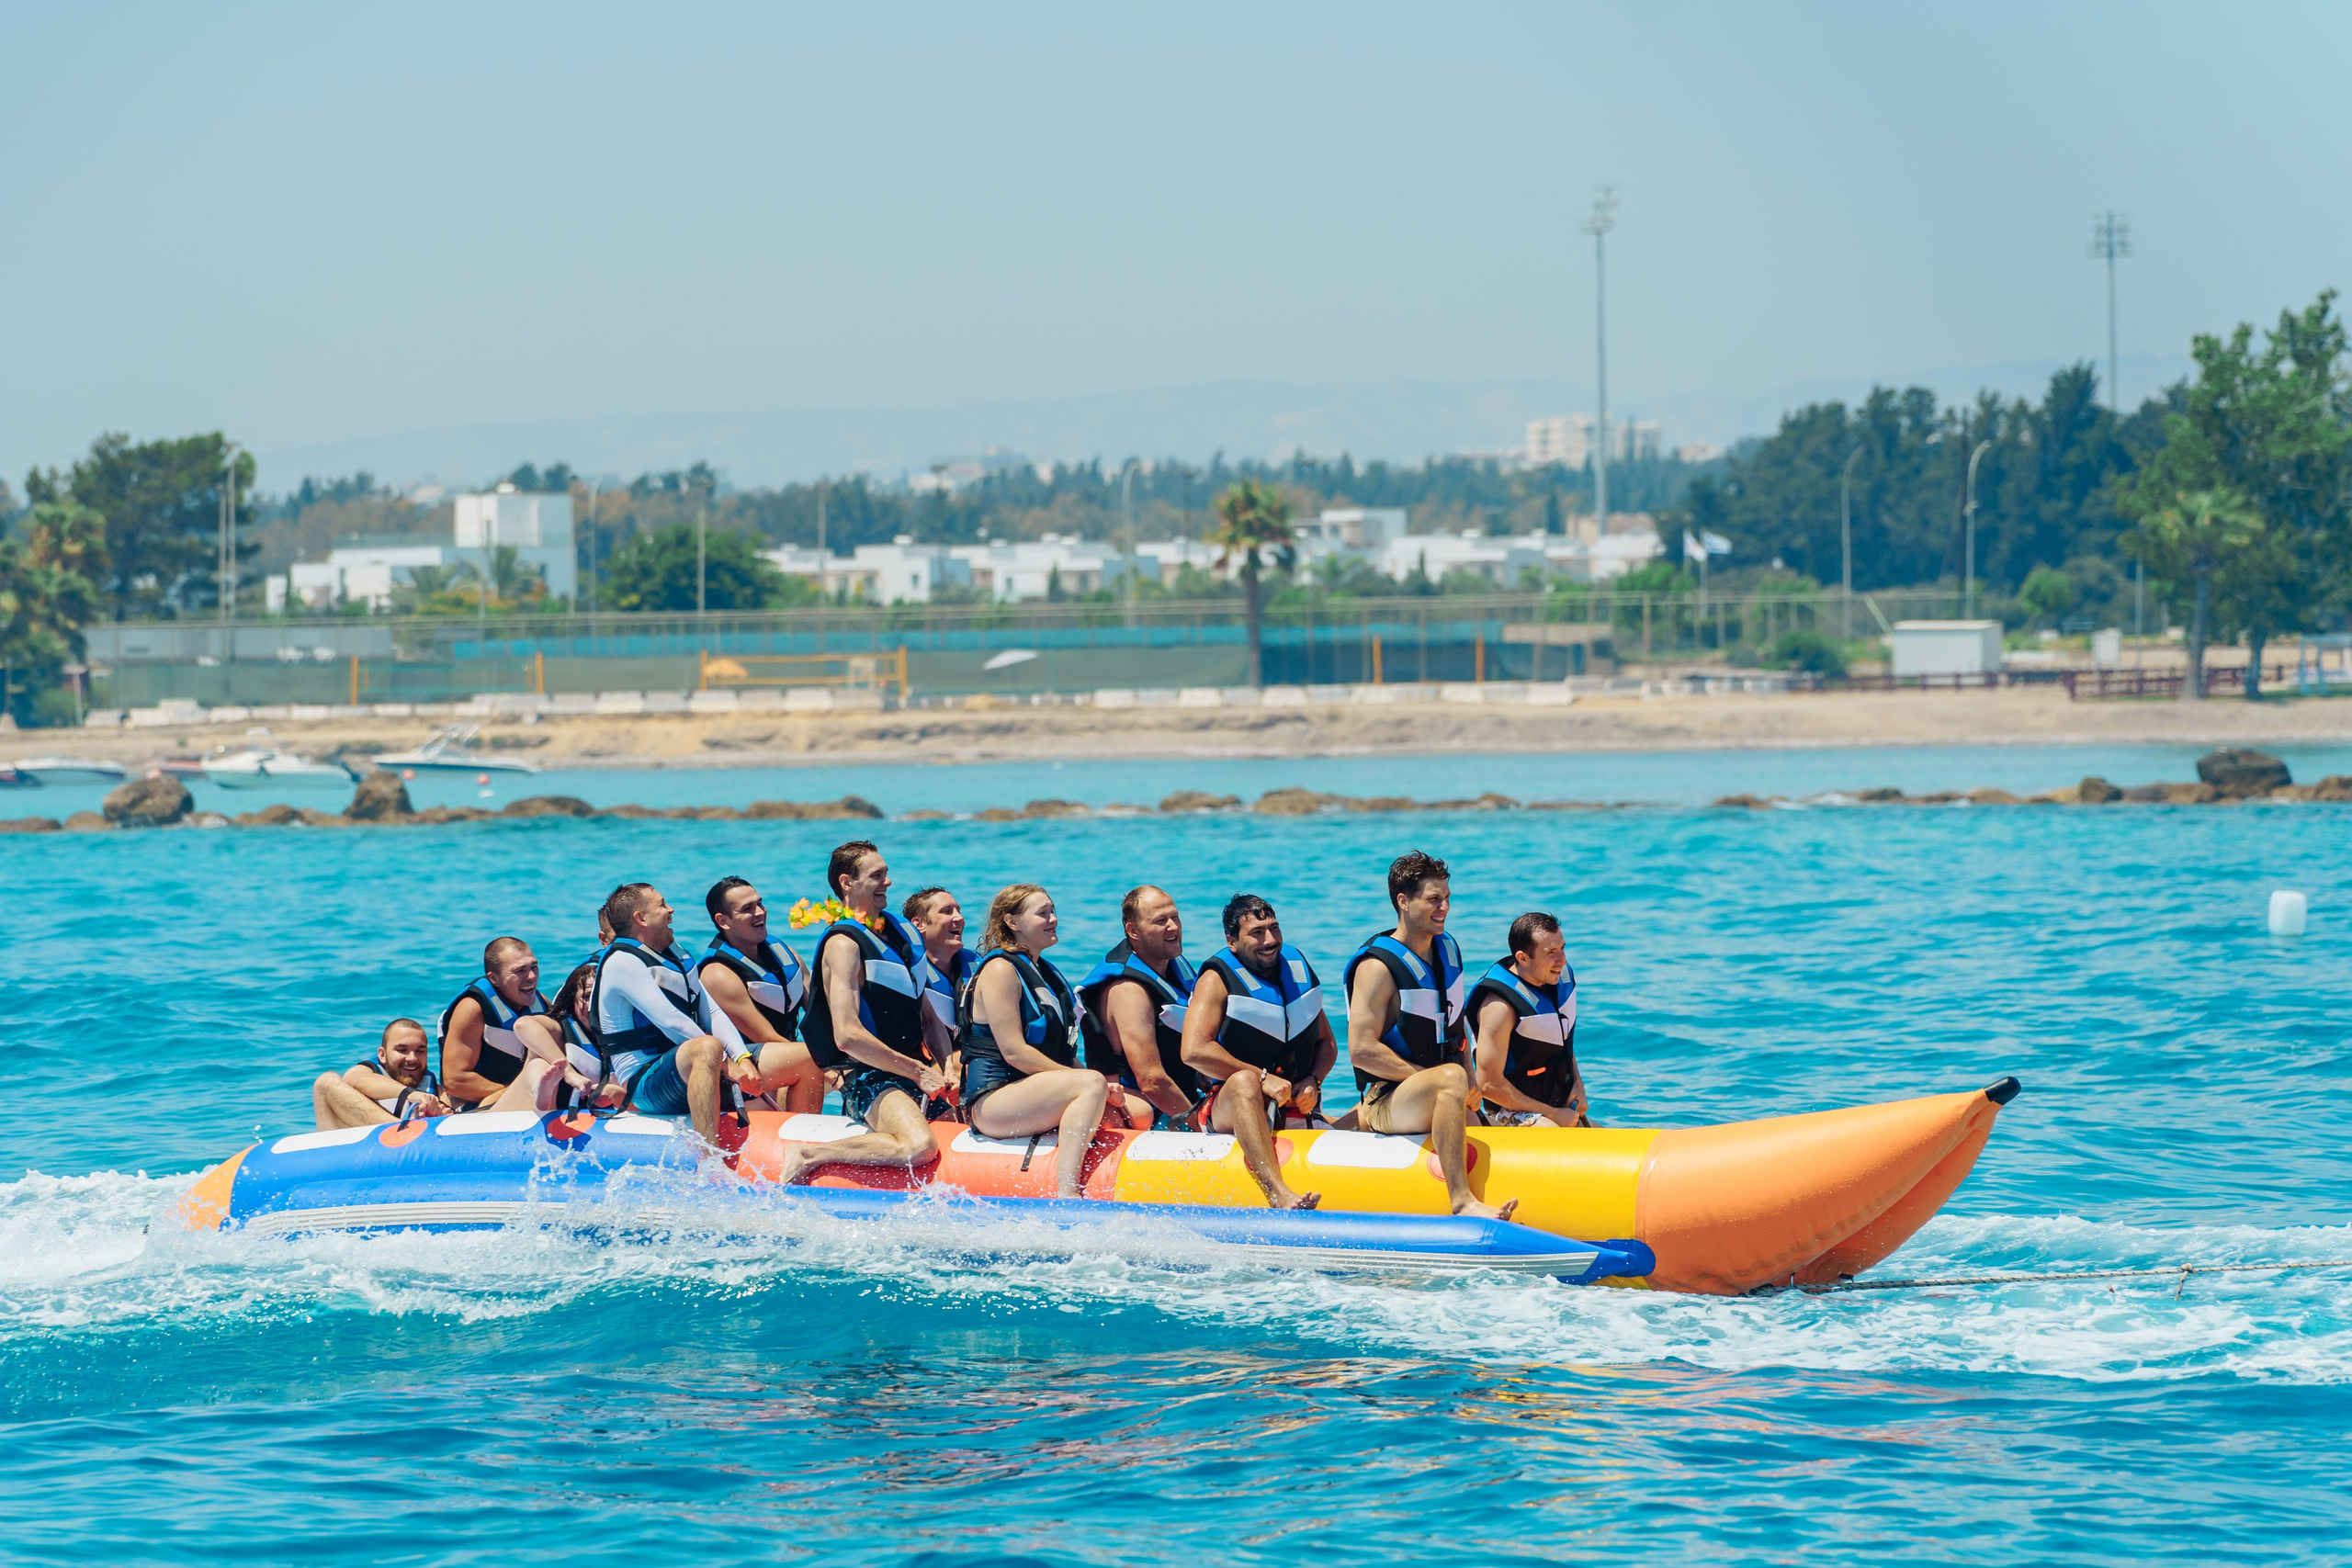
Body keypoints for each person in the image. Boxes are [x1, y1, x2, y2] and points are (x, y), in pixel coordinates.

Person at [1343, 851, 1514, 1221]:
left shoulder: (1446, 948)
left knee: (1499, 1134)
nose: (1445, 908)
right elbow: (1360, 1050)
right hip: (1389, 1098)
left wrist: (1468, 1079)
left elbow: (1455, 1029)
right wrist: (1439, 1081)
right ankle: (1461, 1202)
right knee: (1449, 1079)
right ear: (1403, 902)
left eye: (1448, 898)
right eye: (1434, 899)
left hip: (1441, 1092)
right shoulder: (1377, 967)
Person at [778, 840, 955, 1183]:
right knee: (919, 1146)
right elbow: (847, 1036)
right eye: (877, 875)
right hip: (870, 1078)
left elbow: (930, 1018)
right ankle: (808, 1153)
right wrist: (919, 1072)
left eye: (886, 873)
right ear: (847, 883)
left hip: (915, 1072)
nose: (887, 882)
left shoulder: (900, 934)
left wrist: (947, 1067)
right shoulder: (843, 945)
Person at [1178, 894, 1332, 1211]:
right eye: (1257, 933)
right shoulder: (1216, 979)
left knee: (1360, 1120)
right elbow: (1193, 1050)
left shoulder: (1295, 970)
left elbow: (1327, 1044)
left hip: (1290, 1106)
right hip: (1228, 1105)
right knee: (1245, 1082)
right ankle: (1277, 1192)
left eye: (1274, 928)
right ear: (1232, 941)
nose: (1270, 940)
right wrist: (1262, 1077)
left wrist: (1313, 1080)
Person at [591, 882, 758, 1144]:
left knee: (801, 1058)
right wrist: (727, 1065)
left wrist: (742, 1056)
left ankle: (791, 1137)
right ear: (641, 918)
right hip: (644, 1084)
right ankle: (709, 1161)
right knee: (706, 1047)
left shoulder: (673, 955)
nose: (671, 910)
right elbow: (670, 1021)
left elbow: (711, 1011)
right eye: (661, 904)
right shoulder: (622, 961)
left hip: (688, 1067)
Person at [696, 876, 826, 1115]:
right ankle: (802, 1136)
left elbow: (818, 1011)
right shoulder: (717, 974)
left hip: (786, 1059)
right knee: (812, 1060)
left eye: (760, 904)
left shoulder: (785, 953)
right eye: (748, 909)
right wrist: (828, 1068)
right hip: (744, 1071)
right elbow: (765, 1036)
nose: (760, 912)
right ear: (723, 921)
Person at [1077, 884, 1203, 1127]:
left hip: (1185, 1099)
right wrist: (1204, 1127)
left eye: (1175, 917)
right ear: (1133, 931)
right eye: (1161, 921)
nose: (1174, 926)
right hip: (1146, 1111)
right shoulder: (1128, 990)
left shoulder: (1172, 965)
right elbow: (1151, 1081)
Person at [1469, 911, 1593, 1129]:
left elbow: (1561, 1040)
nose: (1562, 960)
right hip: (1511, 1111)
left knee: (1603, 1140)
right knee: (1556, 1136)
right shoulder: (1499, 1008)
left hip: (1556, 1108)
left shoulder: (1556, 980)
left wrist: (1577, 1083)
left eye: (1563, 948)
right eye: (1551, 952)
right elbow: (1488, 1084)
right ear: (1523, 958)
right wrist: (1551, 1114)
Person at [437, 937, 553, 1108]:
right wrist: (516, 1094)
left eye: (534, 967)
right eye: (519, 971)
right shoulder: (472, 1008)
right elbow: (455, 1081)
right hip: (479, 1108)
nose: (531, 977)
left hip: (532, 1099)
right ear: (494, 979)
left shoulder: (542, 1004)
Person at [514, 961, 628, 1111]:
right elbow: (522, 1025)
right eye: (587, 997)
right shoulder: (561, 1028)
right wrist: (568, 1072)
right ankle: (540, 1091)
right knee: (541, 1062)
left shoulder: (629, 1036)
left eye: (602, 996)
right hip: (514, 1114)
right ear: (572, 1000)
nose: (594, 1004)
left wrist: (618, 1096)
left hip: (587, 1123)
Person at [904, 885, 978, 1114]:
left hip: (968, 1073)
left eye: (959, 910)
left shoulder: (980, 967)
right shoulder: (905, 975)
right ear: (919, 924)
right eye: (947, 911)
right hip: (922, 1078)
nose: (959, 918)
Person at [313, 1018, 455, 1129]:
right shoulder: (368, 1071)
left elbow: (450, 1118)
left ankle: (409, 1130)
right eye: (402, 1050)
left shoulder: (436, 1092)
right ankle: (402, 1129)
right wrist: (411, 1094)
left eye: (420, 1051)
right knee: (325, 1082)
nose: (412, 1058)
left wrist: (437, 1116)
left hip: (403, 1155)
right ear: (382, 1054)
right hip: (350, 1150)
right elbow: (354, 1079)